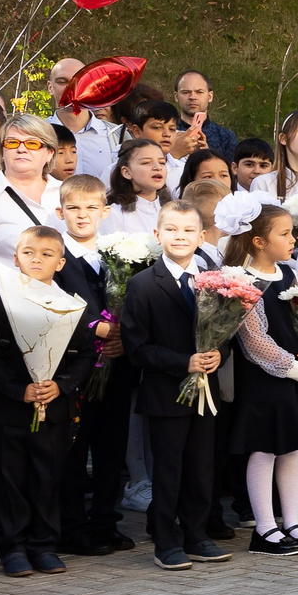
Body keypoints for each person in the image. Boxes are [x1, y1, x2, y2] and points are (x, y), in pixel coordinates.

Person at [122, 202, 229, 568]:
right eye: (171, 229)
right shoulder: (142, 284)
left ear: (202, 236)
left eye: (187, 230)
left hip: (206, 392)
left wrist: (218, 356)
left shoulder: (215, 281)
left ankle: (197, 535)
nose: (179, 236)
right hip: (166, 393)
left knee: (201, 466)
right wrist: (182, 362)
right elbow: (136, 347)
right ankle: (165, 540)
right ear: (157, 234)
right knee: (169, 469)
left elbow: (225, 332)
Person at [0, 225, 93, 575]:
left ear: (60, 263)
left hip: (55, 408)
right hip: (10, 409)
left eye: (46, 254)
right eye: (28, 252)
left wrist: (61, 385)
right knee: (11, 478)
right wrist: (19, 389)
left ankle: (44, 545)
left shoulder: (71, 308)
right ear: (15, 258)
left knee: (48, 476)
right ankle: (13, 547)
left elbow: (86, 356)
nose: (36, 259)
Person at [219, 200, 298, 556]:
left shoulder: (291, 275)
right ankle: (264, 528)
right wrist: (296, 369)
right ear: (259, 241)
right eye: (284, 233)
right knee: (264, 449)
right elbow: (255, 342)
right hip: (264, 380)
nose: (294, 238)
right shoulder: (245, 281)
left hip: (293, 376)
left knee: (291, 447)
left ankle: (292, 521)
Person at [52, 175, 131, 557]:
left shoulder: (118, 254)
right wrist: (94, 328)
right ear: (60, 212)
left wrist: (121, 335)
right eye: (73, 208)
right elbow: (45, 304)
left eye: (90, 208)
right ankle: (71, 526)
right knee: (73, 447)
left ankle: (105, 521)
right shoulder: (53, 256)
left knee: (111, 447)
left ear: (105, 211)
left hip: (115, 367)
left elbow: (131, 304)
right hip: (73, 368)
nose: (82, 216)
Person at [0, 112, 64, 299]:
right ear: (3, 150)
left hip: (68, 313)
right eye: (12, 143)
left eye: (32, 143)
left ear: (49, 153)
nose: (22, 149)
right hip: (6, 314)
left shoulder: (66, 194)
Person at [175, 70, 235, 160]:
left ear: (210, 96)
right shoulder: (166, 134)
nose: (192, 97)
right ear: (176, 97)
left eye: (199, 92)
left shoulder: (225, 137)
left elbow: (233, 172)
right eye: (186, 92)